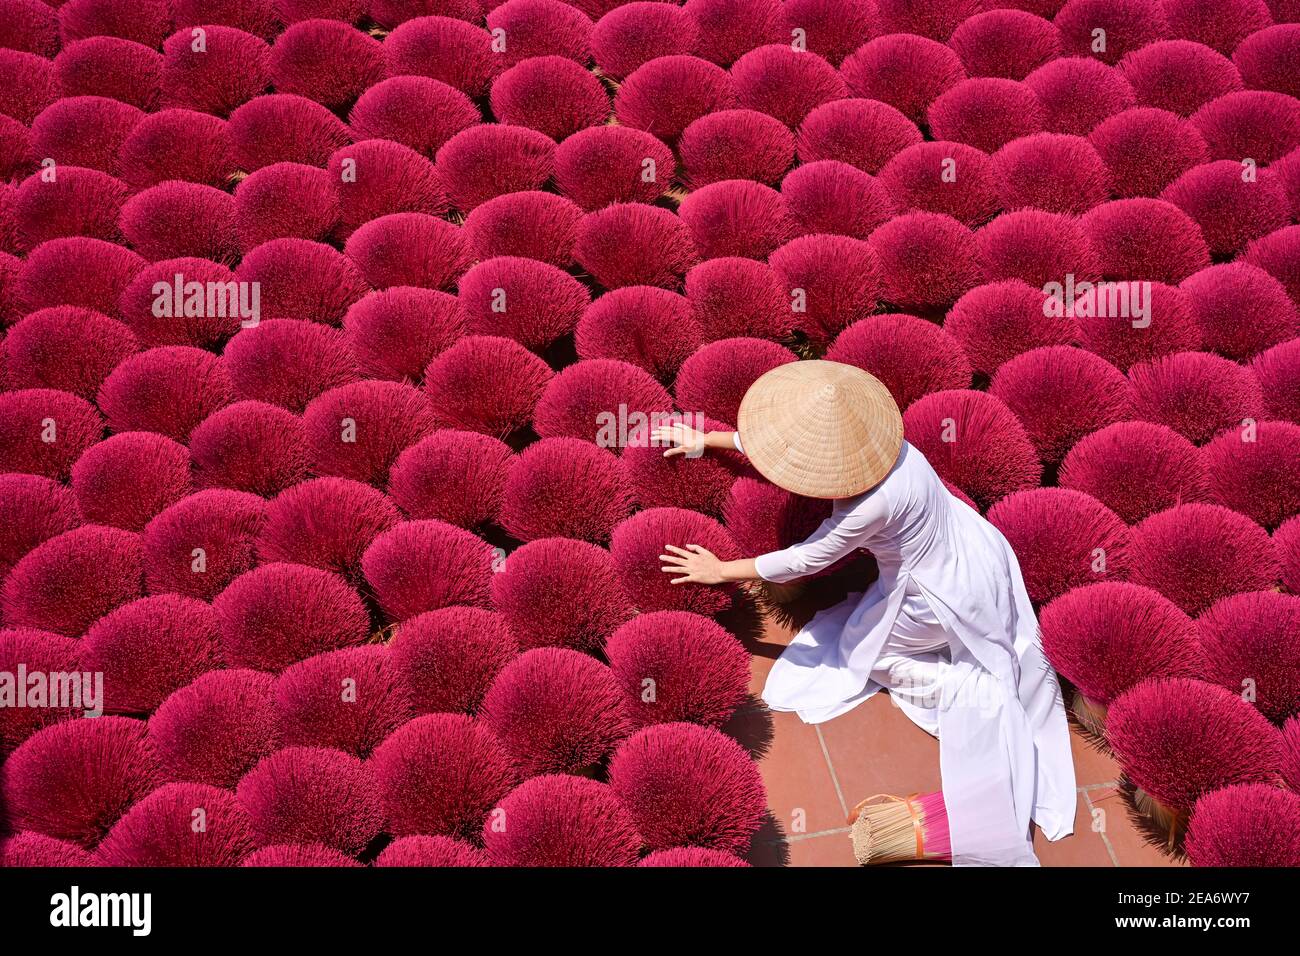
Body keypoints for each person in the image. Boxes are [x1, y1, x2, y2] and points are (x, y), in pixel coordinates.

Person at [654, 360, 1076, 866]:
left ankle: (971, 689)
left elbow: (807, 558)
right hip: (972, 547)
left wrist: (720, 570)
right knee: (869, 636)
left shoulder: (870, 503)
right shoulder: (888, 448)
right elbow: (797, 449)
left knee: (864, 656)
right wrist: (713, 441)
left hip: (936, 591)